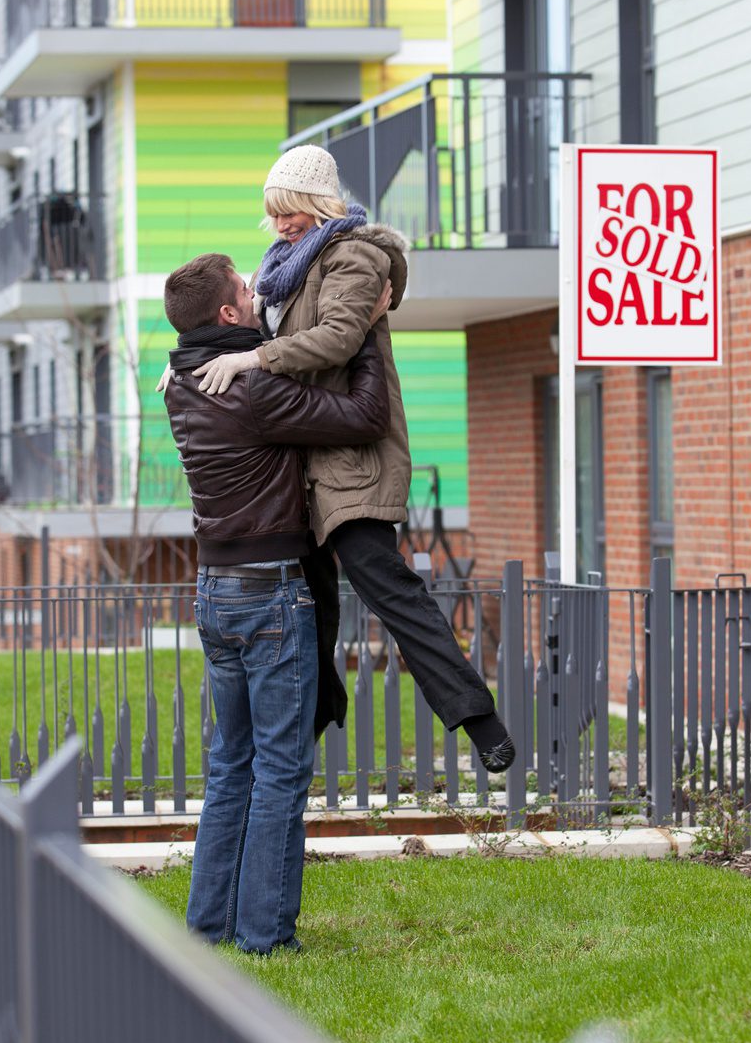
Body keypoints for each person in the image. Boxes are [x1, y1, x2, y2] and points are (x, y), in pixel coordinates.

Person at [192, 145, 516, 773]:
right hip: (304, 471)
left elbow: (338, 338)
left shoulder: (352, 255)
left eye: (290, 211)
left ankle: (481, 721)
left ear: (319, 204)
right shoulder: (283, 269)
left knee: (388, 588)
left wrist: (252, 359)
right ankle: (312, 726)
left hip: (350, 463)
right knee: (310, 605)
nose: (282, 224)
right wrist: (190, 363)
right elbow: (242, 329)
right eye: (273, 213)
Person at [161, 251, 391, 955]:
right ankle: (265, 939)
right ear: (230, 313)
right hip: (269, 593)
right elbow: (364, 415)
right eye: (244, 287)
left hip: (214, 592)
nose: (256, 288)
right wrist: (371, 333)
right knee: (281, 772)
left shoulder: (180, 383)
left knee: (232, 765)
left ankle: (208, 930)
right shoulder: (253, 391)